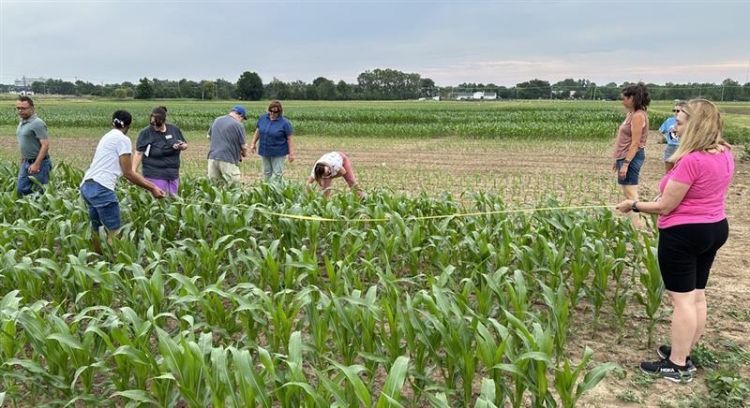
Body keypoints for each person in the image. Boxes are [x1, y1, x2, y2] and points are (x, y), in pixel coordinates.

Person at [616, 99, 734, 383]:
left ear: (695, 125)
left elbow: (666, 207)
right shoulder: (725, 153)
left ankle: (677, 365)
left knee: (681, 302)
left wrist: (633, 205)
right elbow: (698, 193)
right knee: (696, 295)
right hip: (714, 228)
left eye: (680, 122)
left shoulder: (691, 161)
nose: (674, 127)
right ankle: (685, 351)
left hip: (684, 235)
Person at [81, 110, 166, 253]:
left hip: (87, 186)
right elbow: (128, 173)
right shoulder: (122, 139)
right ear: (129, 125)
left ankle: (98, 258)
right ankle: (116, 266)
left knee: (97, 229)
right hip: (102, 187)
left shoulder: (107, 136)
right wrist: (152, 188)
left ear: (112, 122)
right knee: (113, 232)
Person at [612, 82, 650, 228]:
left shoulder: (638, 116)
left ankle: (637, 229)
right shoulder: (631, 114)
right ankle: (633, 226)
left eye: (624, 98)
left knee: (631, 195)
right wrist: (618, 160)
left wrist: (626, 164)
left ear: (633, 98)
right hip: (625, 156)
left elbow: (635, 143)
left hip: (631, 157)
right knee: (628, 194)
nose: (622, 100)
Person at [132, 106, 188, 196]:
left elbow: (185, 144)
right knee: (160, 202)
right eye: (152, 123)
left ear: (164, 121)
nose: (155, 126)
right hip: (154, 174)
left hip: (172, 174)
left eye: (157, 124)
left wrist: (181, 146)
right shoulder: (146, 133)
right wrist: (133, 172)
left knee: (173, 202)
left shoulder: (174, 129)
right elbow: (138, 153)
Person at [250, 100, 295, 183]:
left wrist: (291, 153)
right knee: (267, 172)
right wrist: (253, 143)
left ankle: (276, 190)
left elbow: (289, 138)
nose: (272, 113)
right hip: (264, 150)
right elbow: (258, 131)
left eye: (275, 112)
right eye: (270, 111)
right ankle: (267, 190)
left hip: (278, 151)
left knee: (277, 173)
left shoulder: (285, 123)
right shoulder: (263, 118)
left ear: (279, 112)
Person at [15, 96, 52, 196]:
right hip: (26, 162)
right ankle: (27, 210)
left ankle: (41, 211)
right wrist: (23, 159)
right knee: (21, 189)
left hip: (40, 163)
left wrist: (37, 164)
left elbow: (45, 145)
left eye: (23, 108)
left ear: (32, 108)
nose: (20, 111)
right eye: (18, 108)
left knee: (40, 192)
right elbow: (26, 142)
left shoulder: (37, 123)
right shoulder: (22, 122)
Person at [207, 105, 249, 184]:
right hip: (228, 159)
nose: (241, 121)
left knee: (214, 186)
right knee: (233, 184)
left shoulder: (217, 120)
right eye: (242, 119)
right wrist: (244, 154)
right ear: (240, 115)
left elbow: (209, 136)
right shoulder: (238, 125)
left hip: (212, 157)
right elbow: (243, 146)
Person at [659, 101, 688, 172]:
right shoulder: (669, 121)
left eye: (678, 111)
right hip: (670, 147)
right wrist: (665, 138)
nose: (675, 112)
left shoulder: (687, 121)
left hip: (682, 147)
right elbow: (661, 130)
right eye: (674, 110)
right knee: (668, 170)